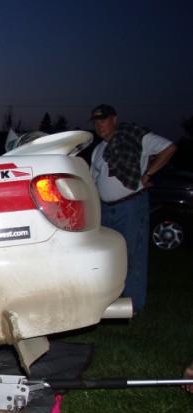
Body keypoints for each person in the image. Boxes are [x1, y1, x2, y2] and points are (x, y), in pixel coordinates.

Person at [89, 104, 177, 313]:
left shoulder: (135, 136)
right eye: (96, 122)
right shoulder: (99, 150)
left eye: (103, 120)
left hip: (130, 206)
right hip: (106, 209)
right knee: (109, 256)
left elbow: (169, 148)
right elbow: (93, 179)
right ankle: (111, 300)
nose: (99, 125)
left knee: (132, 255)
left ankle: (134, 304)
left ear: (114, 119)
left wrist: (149, 174)